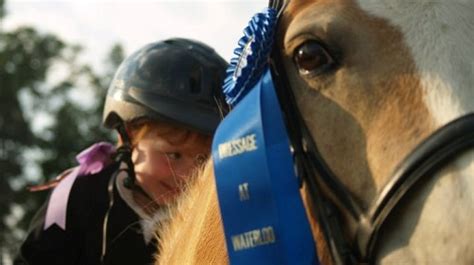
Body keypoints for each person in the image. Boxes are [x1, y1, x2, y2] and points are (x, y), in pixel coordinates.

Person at [14, 38, 229, 265]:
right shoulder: (79, 197)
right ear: (128, 135)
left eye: (202, 161)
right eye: (173, 155)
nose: (186, 176)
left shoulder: (208, 220)